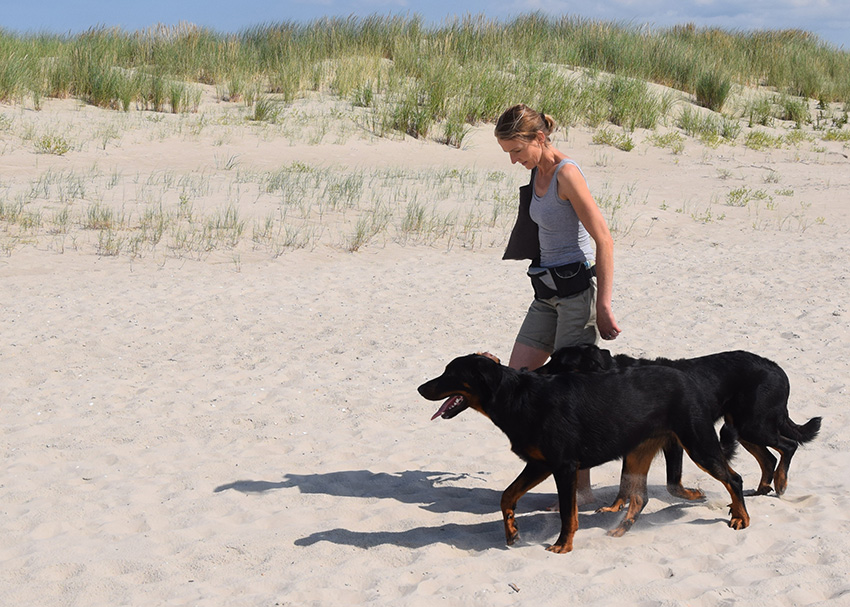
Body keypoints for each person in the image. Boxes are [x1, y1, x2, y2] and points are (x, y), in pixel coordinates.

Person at [496, 103, 621, 503]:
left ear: (539, 138)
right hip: (545, 294)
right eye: (509, 153)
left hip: (576, 296)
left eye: (517, 150)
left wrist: (603, 305)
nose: (514, 160)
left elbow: (604, 239)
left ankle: (580, 490)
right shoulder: (537, 172)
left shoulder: (568, 173)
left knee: (572, 396)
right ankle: (550, 460)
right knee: (514, 380)